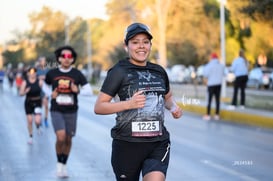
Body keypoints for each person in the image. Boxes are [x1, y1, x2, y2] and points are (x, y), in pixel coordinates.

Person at [94, 22, 183, 181]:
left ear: (150, 45)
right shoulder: (119, 71)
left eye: (145, 42)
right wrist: (129, 104)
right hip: (127, 145)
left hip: (157, 142)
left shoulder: (159, 71)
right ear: (126, 46)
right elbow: (99, 107)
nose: (141, 46)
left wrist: (174, 107)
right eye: (135, 42)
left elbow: (167, 97)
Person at [44, 45, 93, 178]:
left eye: (69, 56)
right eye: (64, 56)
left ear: (72, 59)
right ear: (59, 58)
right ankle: (59, 165)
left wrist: (78, 91)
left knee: (68, 139)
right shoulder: (52, 73)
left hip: (71, 111)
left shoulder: (77, 74)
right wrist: (50, 95)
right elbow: (44, 85)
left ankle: (64, 165)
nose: (66, 59)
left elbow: (89, 90)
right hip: (56, 109)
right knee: (60, 137)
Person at [19, 67, 43, 144]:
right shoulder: (25, 82)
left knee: (37, 120)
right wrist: (25, 91)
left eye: (34, 72)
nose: (32, 74)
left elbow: (46, 90)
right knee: (29, 121)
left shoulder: (39, 81)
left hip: (37, 102)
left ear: (36, 73)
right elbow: (21, 93)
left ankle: (38, 126)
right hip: (28, 102)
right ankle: (30, 136)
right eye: (31, 72)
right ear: (28, 73)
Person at [202, 53, 225, 121]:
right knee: (217, 100)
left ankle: (208, 115)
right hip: (218, 84)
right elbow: (224, 73)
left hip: (211, 84)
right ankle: (217, 115)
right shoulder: (221, 65)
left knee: (209, 100)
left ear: (211, 58)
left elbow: (205, 74)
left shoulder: (209, 65)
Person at [36, 56, 50, 127]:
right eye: (41, 61)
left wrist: (43, 78)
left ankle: (46, 119)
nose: (42, 62)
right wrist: (40, 78)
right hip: (39, 89)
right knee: (40, 105)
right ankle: (40, 119)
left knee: (46, 105)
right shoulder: (37, 70)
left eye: (44, 61)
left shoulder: (48, 70)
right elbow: (34, 78)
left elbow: (50, 79)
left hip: (46, 90)